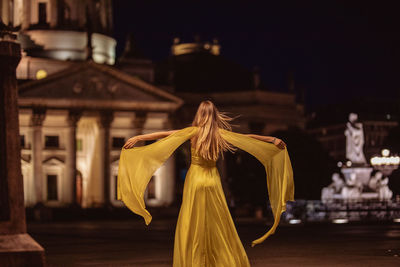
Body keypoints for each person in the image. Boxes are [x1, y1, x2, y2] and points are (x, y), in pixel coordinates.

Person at [118, 100, 294, 267]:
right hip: (212, 180)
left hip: (195, 179)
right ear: (214, 116)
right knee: (218, 222)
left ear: (200, 115)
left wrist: (139, 138)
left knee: (192, 222)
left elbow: (166, 134)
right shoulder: (219, 134)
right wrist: (271, 140)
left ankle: (194, 260)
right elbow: (247, 137)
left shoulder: (192, 132)